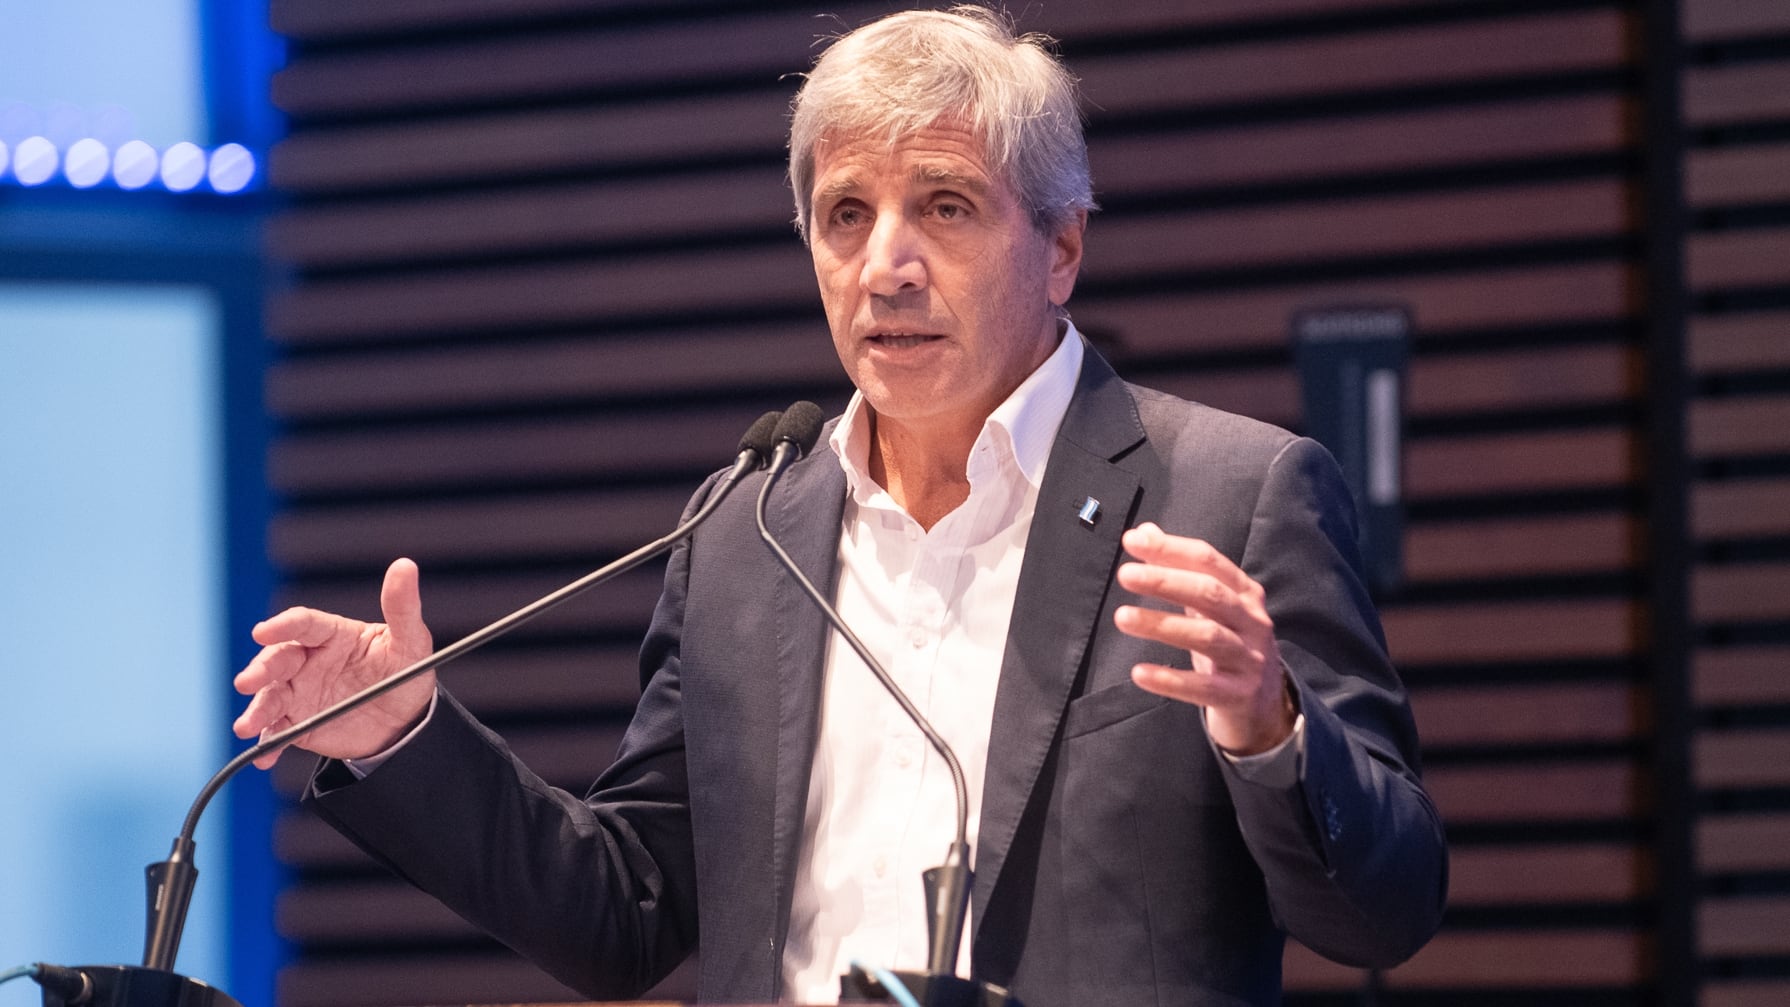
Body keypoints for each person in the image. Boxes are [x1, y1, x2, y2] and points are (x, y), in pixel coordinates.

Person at [233, 7, 1447, 1005]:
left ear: (1061, 247)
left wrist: (1269, 730)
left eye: (945, 207)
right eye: (845, 215)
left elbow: (1383, 910)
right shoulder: (744, 530)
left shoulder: (1229, 494)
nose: (884, 266)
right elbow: (628, 912)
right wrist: (403, 734)